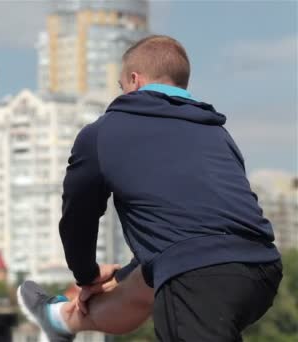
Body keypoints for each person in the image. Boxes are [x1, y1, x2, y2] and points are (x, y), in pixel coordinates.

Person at [18, 35, 283, 342]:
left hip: (201, 278)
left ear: (134, 80)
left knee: (168, 273)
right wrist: (118, 276)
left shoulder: (103, 133)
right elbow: (198, 221)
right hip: (263, 267)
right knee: (140, 285)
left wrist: (86, 275)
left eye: (121, 86)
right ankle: (59, 320)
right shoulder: (216, 132)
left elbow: (78, 218)